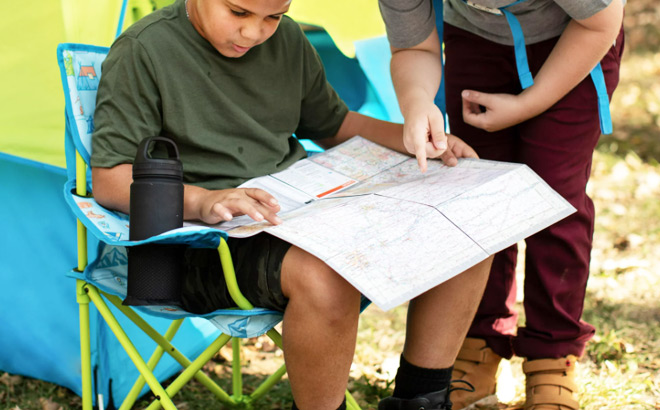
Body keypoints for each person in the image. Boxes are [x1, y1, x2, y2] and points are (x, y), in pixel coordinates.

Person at [90, 0, 494, 409]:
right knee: (323, 273)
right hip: (199, 245)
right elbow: (109, 182)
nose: (255, 32)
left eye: (273, 16)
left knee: (467, 226)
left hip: (294, 212)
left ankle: (421, 398)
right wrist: (204, 200)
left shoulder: (288, 38)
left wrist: (415, 136)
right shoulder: (143, 50)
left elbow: (335, 125)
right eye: (238, 12)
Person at [378, 0, 625, 409]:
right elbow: (414, 49)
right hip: (477, 42)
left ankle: (552, 354)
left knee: (553, 199)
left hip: (575, 41)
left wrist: (527, 105)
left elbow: (601, 23)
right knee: (480, 193)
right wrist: (417, 101)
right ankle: (480, 340)